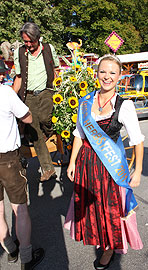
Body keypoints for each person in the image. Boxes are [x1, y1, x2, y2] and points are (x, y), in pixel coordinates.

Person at [65, 54, 144, 269]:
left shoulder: (124, 105)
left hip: (109, 168)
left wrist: (137, 171)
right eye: (103, 71)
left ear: (119, 76)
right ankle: (100, 238)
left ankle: (110, 247)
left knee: (109, 209)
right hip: (86, 164)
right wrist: (72, 162)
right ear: (96, 73)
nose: (107, 77)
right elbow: (79, 134)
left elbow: (137, 140)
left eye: (112, 72)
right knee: (93, 208)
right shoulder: (85, 102)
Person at [0, 59, 44, 269]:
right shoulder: (6, 93)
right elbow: (27, 117)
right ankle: (26, 257)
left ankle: (10, 249)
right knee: (20, 209)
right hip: (7, 159)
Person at [13, 22, 60, 182]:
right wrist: (11, 98)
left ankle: (48, 134)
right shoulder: (19, 52)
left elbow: (56, 69)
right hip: (29, 96)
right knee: (34, 130)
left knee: (45, 118)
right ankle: (48, 169)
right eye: (24, 41)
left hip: (47, 91)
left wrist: (60, 88)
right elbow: (18, 78)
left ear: (37, 38)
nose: (27, 44)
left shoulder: (49, 48)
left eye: (29, 41)